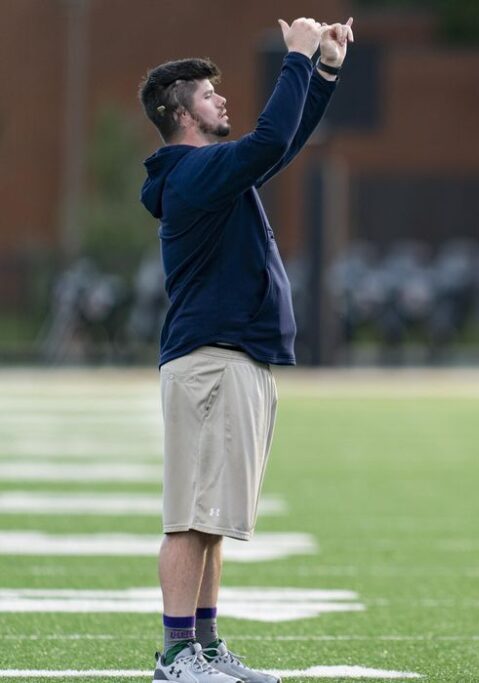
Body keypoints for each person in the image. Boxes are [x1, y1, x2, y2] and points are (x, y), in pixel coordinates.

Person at [138, 16, 353, 683]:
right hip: (211, 361)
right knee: (190, 518)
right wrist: (296, 59)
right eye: (209, 95)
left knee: (212, 519)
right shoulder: (191, 174)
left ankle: (204, 646)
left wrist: (323, 71)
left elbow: (278, 147)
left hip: (231, 359)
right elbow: (268, 142)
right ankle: (176, 655)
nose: (221, 98)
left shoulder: (210, 173)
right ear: (182, 115)